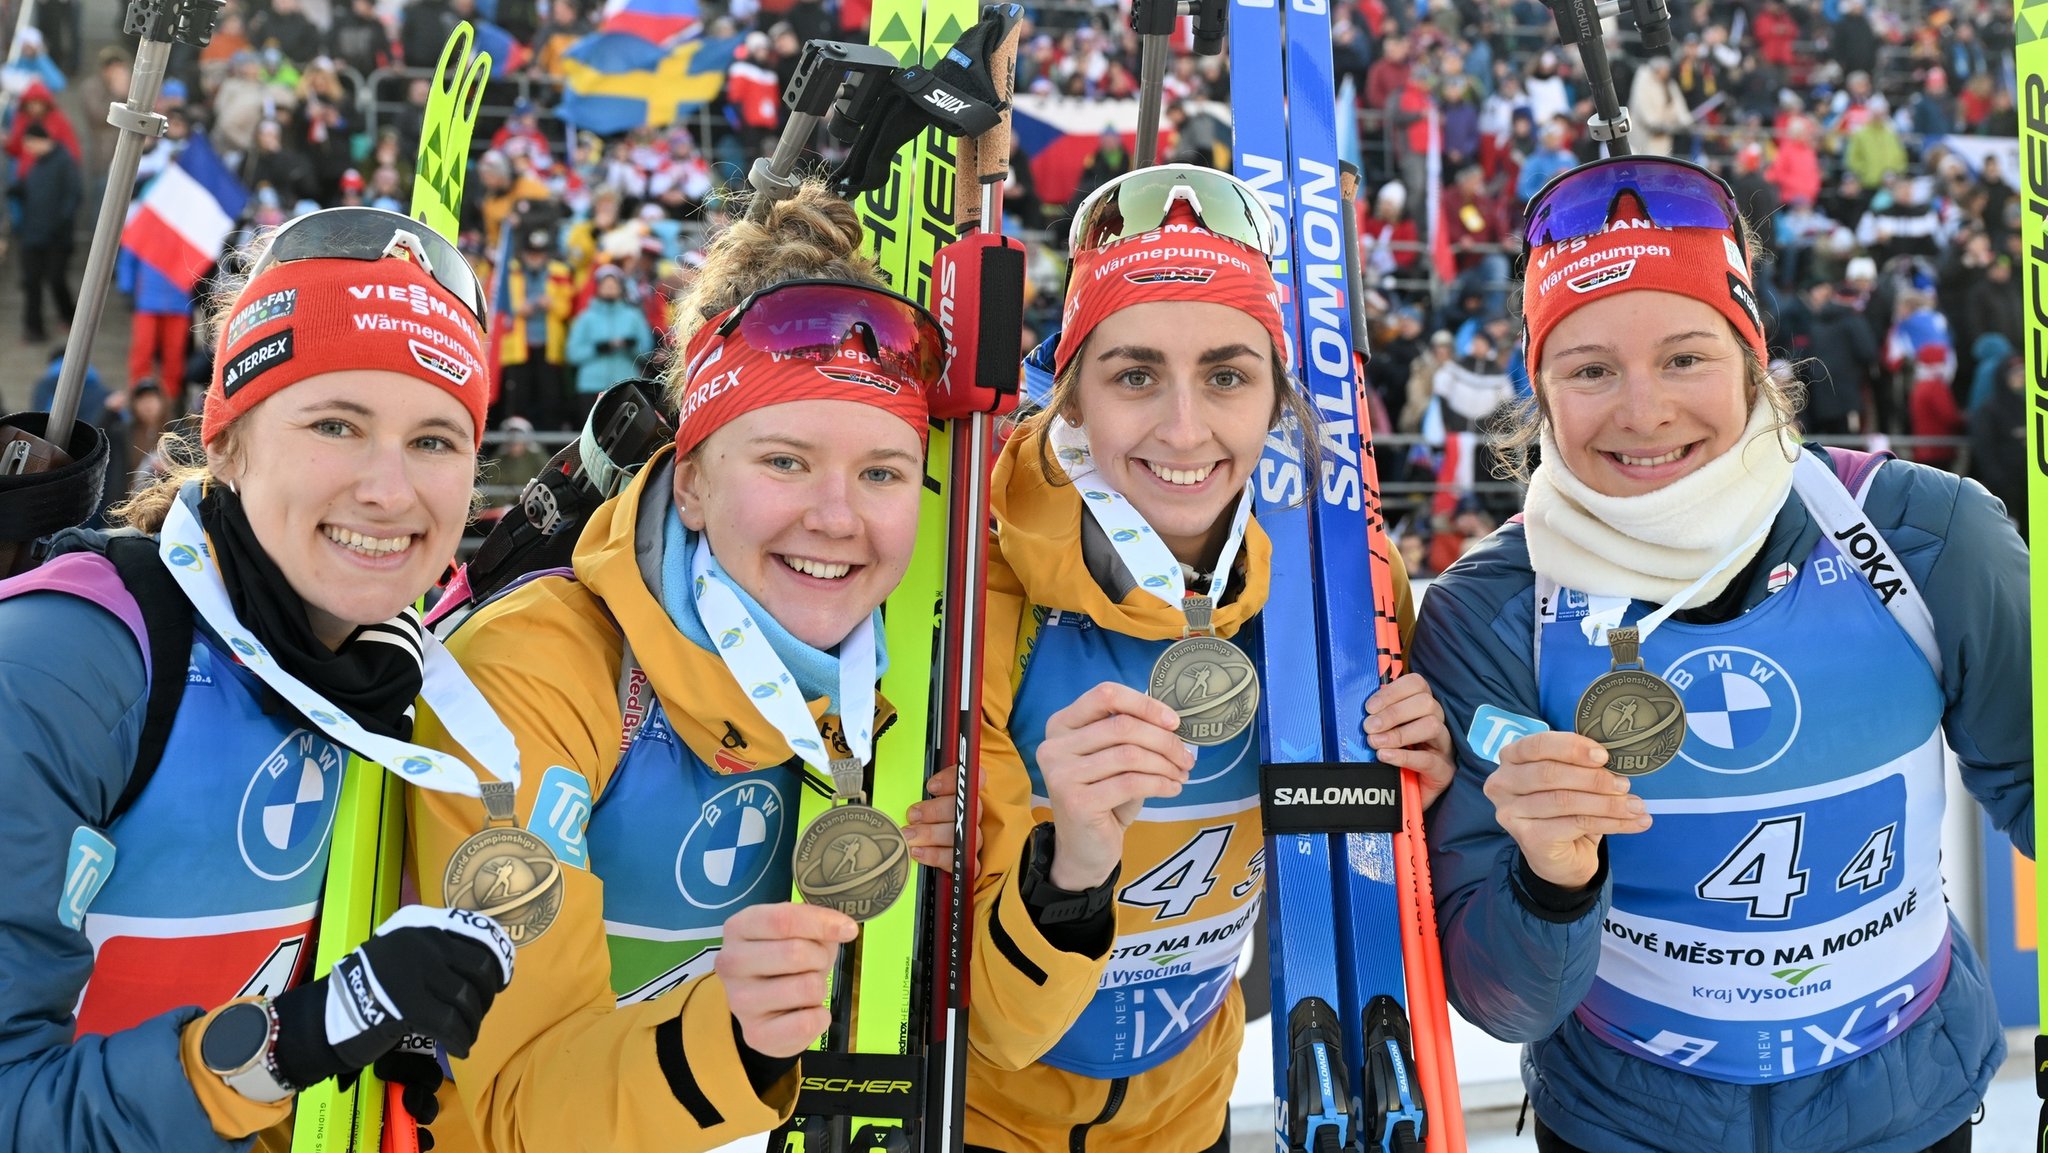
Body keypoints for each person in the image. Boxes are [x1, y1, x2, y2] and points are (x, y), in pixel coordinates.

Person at [1411, 156, 2033, 1153]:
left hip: (1903, 1115)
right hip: (1621, 1125)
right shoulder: (1488, 609)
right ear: (1537, 392)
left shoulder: (1926, 538)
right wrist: (1551, 880)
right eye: (1588, 369)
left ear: (1752, 360)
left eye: (1685, 356)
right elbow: (1502, 1002)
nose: (1642, 409)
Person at [910, 165, 1455, 1149]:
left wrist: (1419, 793)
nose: (1183, 427)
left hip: (1187, 1108)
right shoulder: (978, 583)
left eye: (1226, 374)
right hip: (983, 1118)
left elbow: (1355, 884)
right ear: (1068, 396)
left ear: (1276, 395)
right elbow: (1001, 1025)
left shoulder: (1337, 578)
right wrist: (1068, 868)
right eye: (1131, 375)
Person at [407, 179, 952, 1151]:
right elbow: (497, 1111)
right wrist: (727, 1042)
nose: (836, 516)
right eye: (784, 461)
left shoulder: (906, 670)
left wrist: (1044, 880)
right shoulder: (538, 668)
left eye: (880, 472)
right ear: (691, 482)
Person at [0, 206, 518, 1151]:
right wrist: (293, 1042)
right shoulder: (68, 664)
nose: (389, 490)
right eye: (336, 423)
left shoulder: (399, 682)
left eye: (436, 440)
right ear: (228, 437)